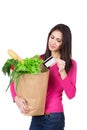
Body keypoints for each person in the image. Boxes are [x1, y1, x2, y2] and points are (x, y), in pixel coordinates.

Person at [10, 23, 77, 130]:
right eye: (52, 37)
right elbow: (16, 79)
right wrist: (16, 98)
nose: (53, 42)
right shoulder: (39, 60)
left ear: (64, 43)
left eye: (58, 40)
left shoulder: (70, 64)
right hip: (36, 115)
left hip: (54, 117)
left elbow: (71, 94)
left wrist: (63, 71)